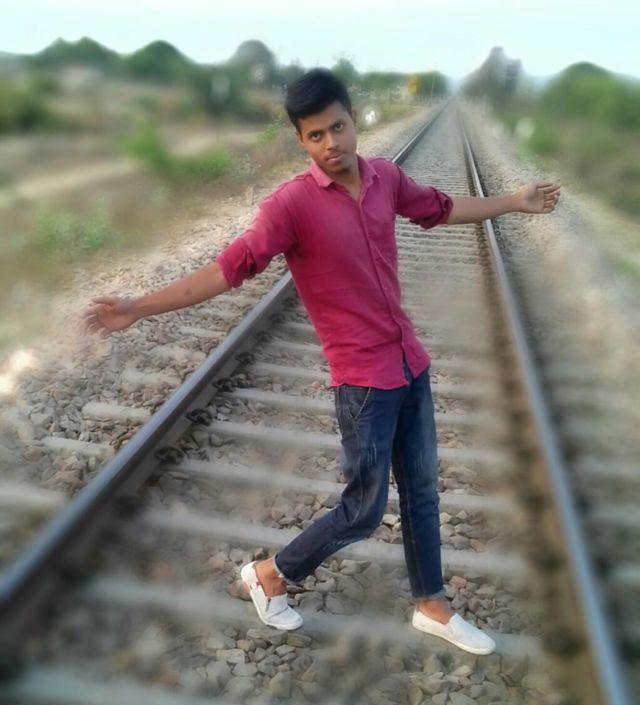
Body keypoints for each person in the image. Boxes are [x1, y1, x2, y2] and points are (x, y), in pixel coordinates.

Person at [84, 69, 560, 655]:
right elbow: (227, 269)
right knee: (363, 511)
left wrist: (514, 201)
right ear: (301, 140)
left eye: (337, 127)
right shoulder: (290, 206)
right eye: (315, 135)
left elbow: (439, 207)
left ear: (353, 120)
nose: (331, 143)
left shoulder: (384, 178)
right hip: (363, 383)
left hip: (409, 365)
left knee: (423, 493)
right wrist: (138, 307)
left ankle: (432, 605)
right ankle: (269, 575)